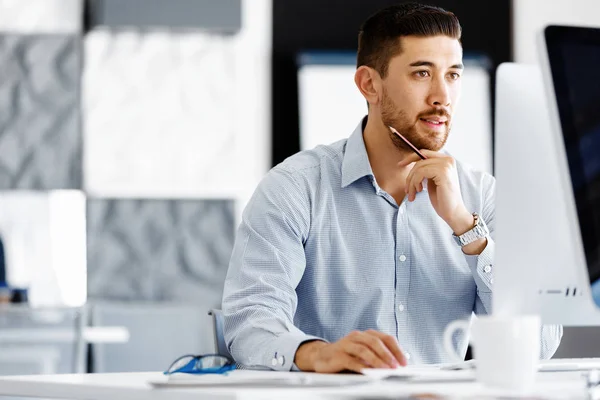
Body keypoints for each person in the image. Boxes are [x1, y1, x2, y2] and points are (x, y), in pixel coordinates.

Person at [222, 2, 562, 373]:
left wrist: (468, 229)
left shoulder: (482, 195)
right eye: (421, 73)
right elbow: (249, 322)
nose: (442, 97)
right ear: (370, 84)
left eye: (453, 75)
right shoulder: (294, 188)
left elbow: (540, 344)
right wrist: (318, 354)